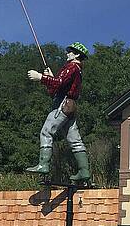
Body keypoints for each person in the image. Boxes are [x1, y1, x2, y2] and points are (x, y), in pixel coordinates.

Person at [26, 42, 90, 182]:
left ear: (77, 54)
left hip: (63, 105)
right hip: (71, 106)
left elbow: (59, 84)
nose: (67, 53)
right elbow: (56, 88)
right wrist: (50, 78)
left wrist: (40, 77)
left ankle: (43, 164)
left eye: (70, 51)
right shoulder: (78, 69)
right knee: (75, 140)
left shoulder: (71, 67)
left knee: (46, 132)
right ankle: (84, 171)